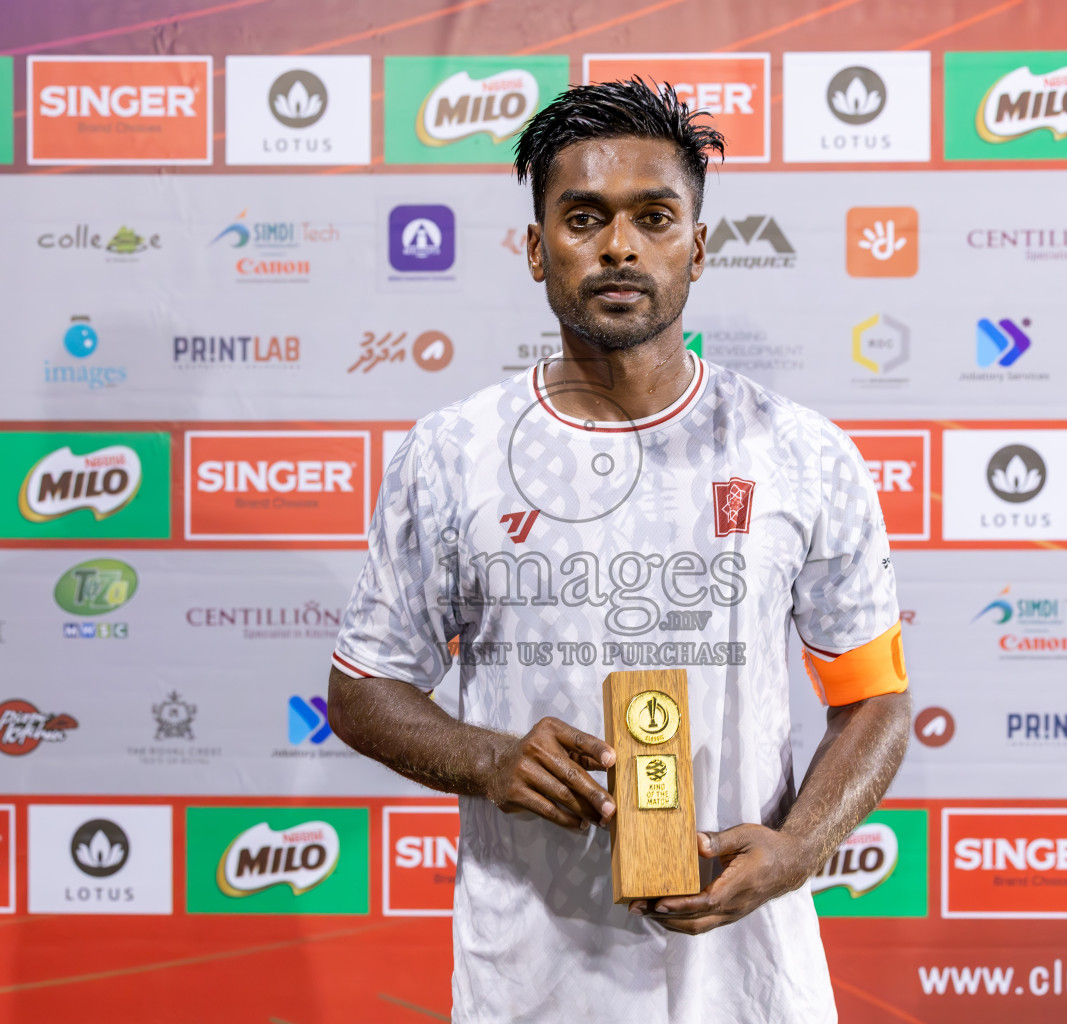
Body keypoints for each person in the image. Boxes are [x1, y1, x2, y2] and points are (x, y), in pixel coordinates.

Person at [328, 78, 911, 1023]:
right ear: (534, 247)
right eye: (583, 217)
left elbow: (873, 696)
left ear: (699, 246)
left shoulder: (801, 453)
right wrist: (488, 761)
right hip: (532, 975)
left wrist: (800, 850)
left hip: (752, 980)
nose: (619, 244)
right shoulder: (452, 454)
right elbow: (361, 689)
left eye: (654, 216)